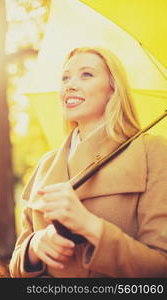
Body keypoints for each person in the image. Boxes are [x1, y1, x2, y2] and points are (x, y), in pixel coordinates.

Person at [9, 47, 167, 278]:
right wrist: (35, 246)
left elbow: (160, 268)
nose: (70, 85)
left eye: (86, 74)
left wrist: (91, 226)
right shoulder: (46, 165)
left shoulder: (151, 152)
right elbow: (15, 267)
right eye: (65, 77)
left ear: (113, 89)